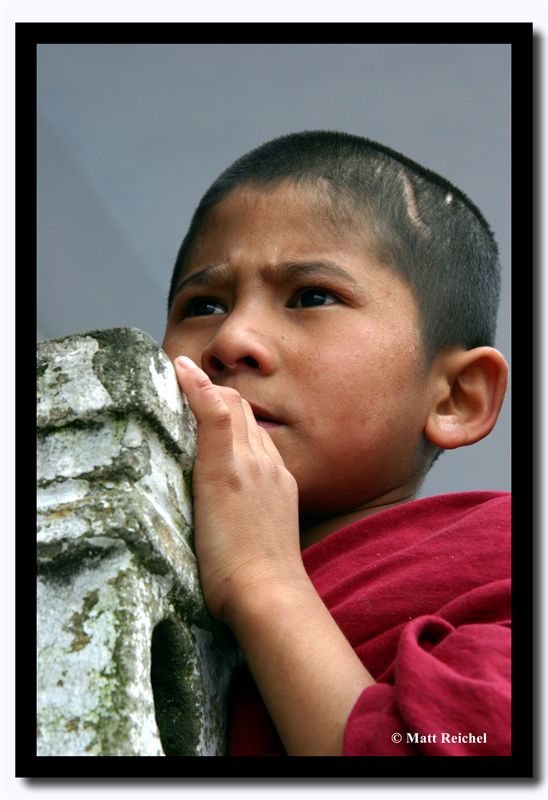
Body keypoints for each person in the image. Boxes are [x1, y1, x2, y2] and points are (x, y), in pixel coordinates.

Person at [161, 131, 510, 756]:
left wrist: (262, 579)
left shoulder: (506, 557)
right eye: (203, 304)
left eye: (312, 297)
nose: (231, 340)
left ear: (457, 397)